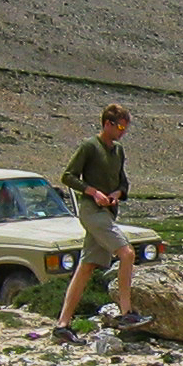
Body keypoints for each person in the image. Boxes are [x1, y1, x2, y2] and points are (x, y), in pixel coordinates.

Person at [53, 104, 152, 344]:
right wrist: (93, 192)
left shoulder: (118, 151)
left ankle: (62, 325)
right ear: (107, 124)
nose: (122, 132)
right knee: (126, 252)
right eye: (119, 127)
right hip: (91, 211)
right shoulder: (89, 147)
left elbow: (123, 182)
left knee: (87, 266)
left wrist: (117, 194)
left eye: (125, 128)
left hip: (108, 212)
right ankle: (126, 312)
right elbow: (68, 176)